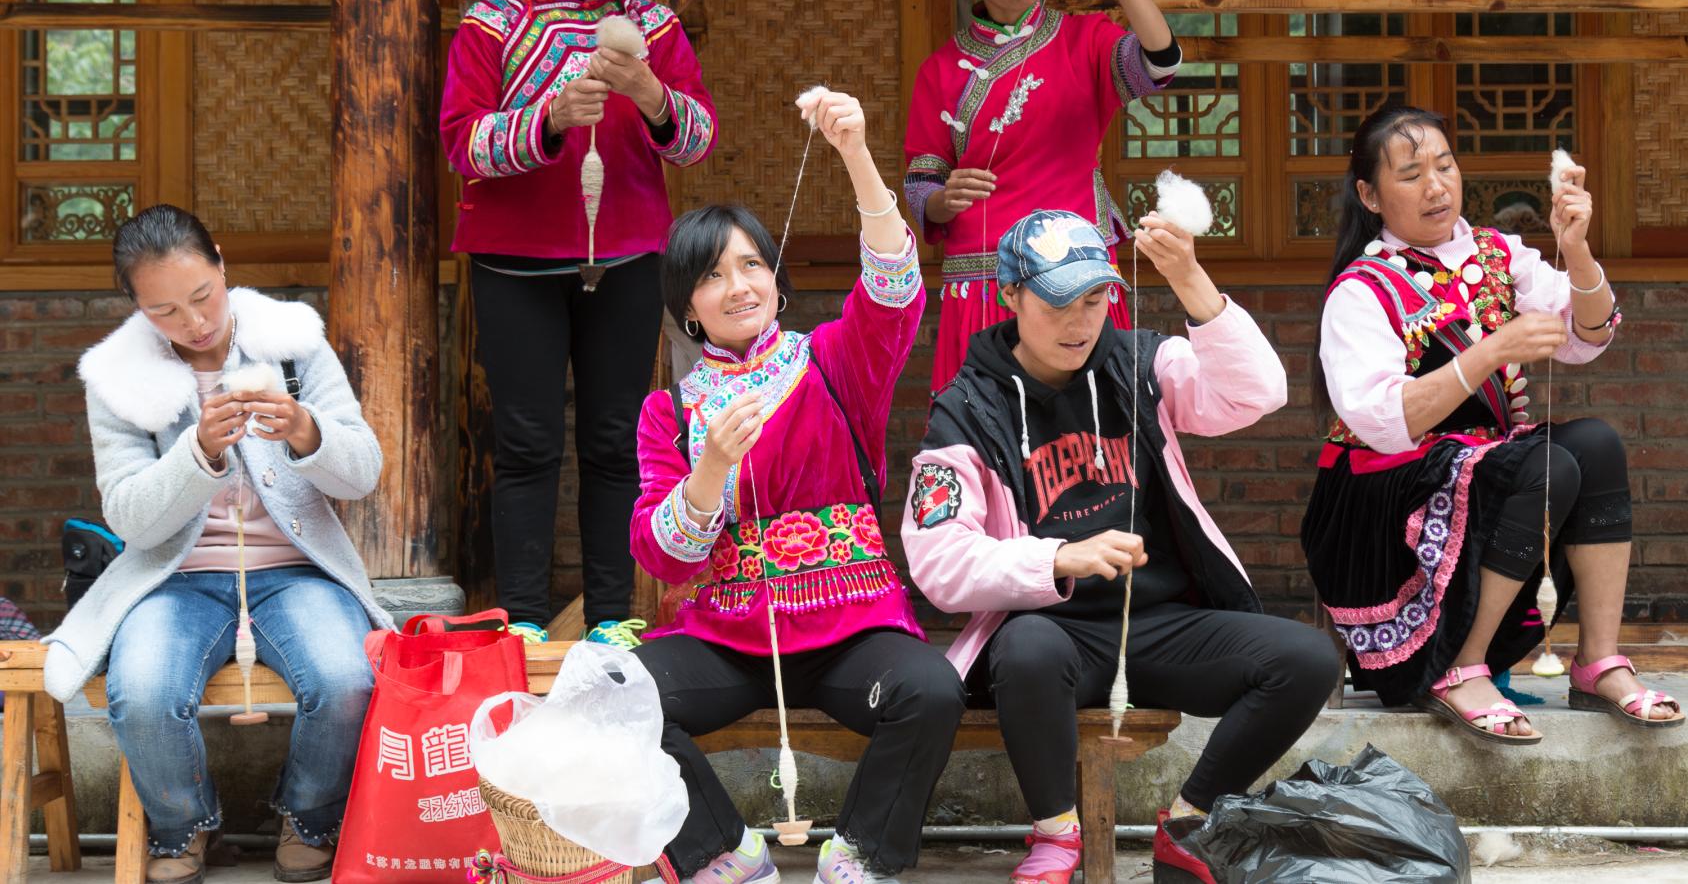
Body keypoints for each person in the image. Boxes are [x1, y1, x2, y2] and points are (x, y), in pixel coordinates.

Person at [901, 209, 1338, 884]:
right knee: (1026, 649)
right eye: (1057, 303)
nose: (1080, 322)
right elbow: (937, 561)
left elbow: (1257, 391)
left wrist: (1190, 277)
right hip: (1053, 634)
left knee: (1306, 659)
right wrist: (1056, 559)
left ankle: (1190, 820)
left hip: (1159, 623)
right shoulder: (966, 407)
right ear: (1010, 295)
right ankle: (1054, 832)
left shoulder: (1138, 362)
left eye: (1095, 299)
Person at [630, 91, 963, 884]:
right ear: (689, 314)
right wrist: (708, 467)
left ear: (777, 283)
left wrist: (853, 151)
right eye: (713, 276)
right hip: (729, 637)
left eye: (752, 264)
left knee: (932, 689)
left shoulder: (838, 361)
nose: (739, 284)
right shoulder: (668, 412)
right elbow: (664, 557)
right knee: (611, 697)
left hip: (854, 628)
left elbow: (893, 292)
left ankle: (858, 857)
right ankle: (722, 851)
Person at [1304, 105, 1681, 741]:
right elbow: (1384, 422)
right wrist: (1492, 351)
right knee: (1547, 462)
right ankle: (1460, 663)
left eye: (1445, 165)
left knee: (1595, 444)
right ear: (1369, 194)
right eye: (1411, 173)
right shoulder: (1362, 290)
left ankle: (1597, 659)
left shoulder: (1496, 254)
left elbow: (1588, 335)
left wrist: (1578, 250)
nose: (1436, 186)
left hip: (1481, 472)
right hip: (1383, 497)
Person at [44, 204, 389, 884]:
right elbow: (130, 517)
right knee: (141, 691)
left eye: (203, 295)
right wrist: (197, 451)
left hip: (297, 570)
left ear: (223, 264)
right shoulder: (117, 379)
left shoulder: (291, 342)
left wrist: (303, 429)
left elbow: (364, 472)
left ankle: (311, 817)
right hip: (171, 579)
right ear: (137, 308)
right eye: (166, 311)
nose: (195, 321)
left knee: (347, 677)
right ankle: (186, 829)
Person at [440, 0, 717, 643]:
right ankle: (523, 618)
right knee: (524, 442)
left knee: (616, 439)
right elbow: (464, 146)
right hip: (514, 264)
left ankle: (612, 615)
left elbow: (697, 140)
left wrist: (650, 93)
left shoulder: (651, 30)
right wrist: (551, 117)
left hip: (628, 261)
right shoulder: (489, 26)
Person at [903, 0, 1183, 397]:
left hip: (1077, 270)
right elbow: (923, 183)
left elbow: (1161, 60)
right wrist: (947, 196)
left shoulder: (1087, 39)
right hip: (986, 277)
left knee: (1097, 426)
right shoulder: (940, 69)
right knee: (985, 432)